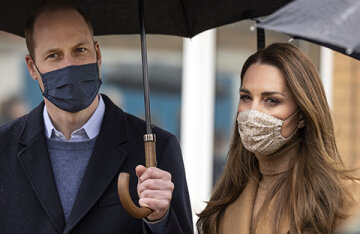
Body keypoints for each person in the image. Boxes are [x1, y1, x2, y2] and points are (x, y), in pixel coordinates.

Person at [0, 2, 193, 234]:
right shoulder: (4, 148)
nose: (69, 65)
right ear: (32, 67)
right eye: (54, 55)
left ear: (98, 54)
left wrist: (160, 219)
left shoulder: (158, 148)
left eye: (79, 50)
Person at [196, 43, 360, 234]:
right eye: (246, 97)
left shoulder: (345, 200)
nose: (253, 111)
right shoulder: (225, 201)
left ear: (301, 115)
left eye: (271, 100)